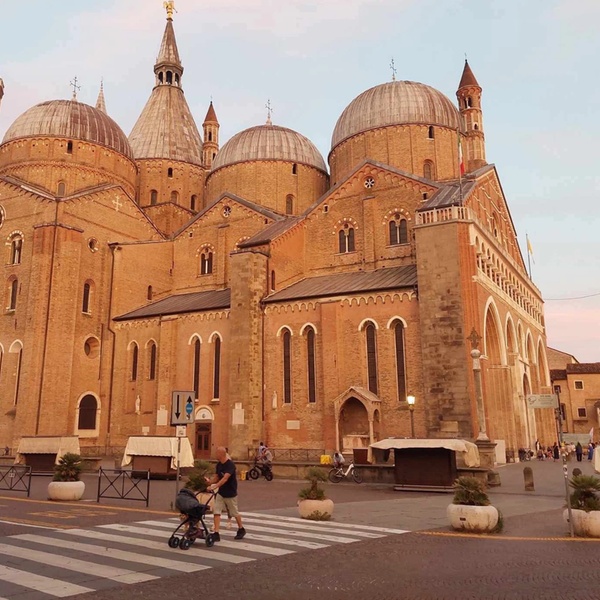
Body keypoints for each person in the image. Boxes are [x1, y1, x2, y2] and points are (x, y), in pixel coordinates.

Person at [208, 446, 246, 541]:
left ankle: (241, 529)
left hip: (230, 492)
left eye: (217, 453)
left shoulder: (230, 465)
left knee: (234, 512)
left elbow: (225, 478)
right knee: (216, 511)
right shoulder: (219, 465)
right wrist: (210, 482)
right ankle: (216, 533)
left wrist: (215, 486)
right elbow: (217, 477)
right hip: (221, 493)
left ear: (221, 454)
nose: (215, 455)